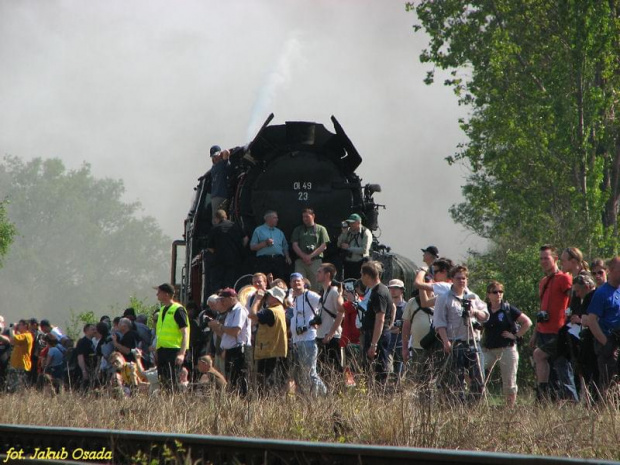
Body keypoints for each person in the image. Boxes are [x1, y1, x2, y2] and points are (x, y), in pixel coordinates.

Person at [434, 265, 489, 402]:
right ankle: (457, 408)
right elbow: (440, 322)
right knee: (456, 380)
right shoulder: (444, 298)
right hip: (455, 342)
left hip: (473, 342)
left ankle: (473, 407)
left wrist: (475, 312)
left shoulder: (472, 297)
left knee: (478, 379)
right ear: (452, 279)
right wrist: (446, 341)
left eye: (464, 278)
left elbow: (486, 315)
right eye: (458, 278)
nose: (461, 281)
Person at [529, 245, 577, 402]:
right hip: (543, 330)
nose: (543, 261)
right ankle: (550, 401)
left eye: (546, 258)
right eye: (541, 258)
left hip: (558, 330)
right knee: (549, 371)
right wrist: (535, 334)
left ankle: (570, 402)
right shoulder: (543, 281)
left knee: (562, 369)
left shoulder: (564, 278)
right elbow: (542, 308)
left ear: (555, 259)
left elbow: (573, 300)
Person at [481, 281, 532, 407]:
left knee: (509, 382)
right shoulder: (484, 309)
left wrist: (515, 336)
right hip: (489, 349)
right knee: (475, 371)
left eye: (500, 291)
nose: (498, 294)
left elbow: (527, 322)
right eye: (495, 292)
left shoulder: (508, 309)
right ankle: (480, 401)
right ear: (488, 295)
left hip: (507, 349)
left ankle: (509, 409)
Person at [585, 256, 620, 398]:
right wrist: (605, 342)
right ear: (611, 271)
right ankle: (605, 412)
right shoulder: (601, 293)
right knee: (608, 380)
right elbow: (591, 320)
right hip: (608, 340)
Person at [208, 288, 251, 396]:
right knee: (232, 380)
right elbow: (226, 335)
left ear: (231, 299)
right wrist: (215, 328)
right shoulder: (230, 312)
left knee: (240, 380)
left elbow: (235, 331)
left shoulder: (239, 310)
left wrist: (220, 326)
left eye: (223, 300)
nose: (221, 303)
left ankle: (243, 402)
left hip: (239, 350)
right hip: (230, 350)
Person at [289, 272, 327, 396]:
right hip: (297, 340)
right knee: (304, 373)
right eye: (293, 281)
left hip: (309, 338)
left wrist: (317, 321)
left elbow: (324, 303)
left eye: (298, 281)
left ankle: (323, 395)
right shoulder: (295, 298)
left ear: (303, 282)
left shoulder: (309, 295)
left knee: (311, 372)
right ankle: (313, 396)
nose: (296, 283)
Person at [248, 286, 288, 394]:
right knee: (272, 382)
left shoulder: (271, 312)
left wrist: (257, 299)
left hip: (268, 351)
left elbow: (252, 315)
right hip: (274, 350)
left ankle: (267, 405)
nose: (267, 297)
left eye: (269, 296)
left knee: (266, 383)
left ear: (276, 298)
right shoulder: (279, 310)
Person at [360, 261, 393, 384]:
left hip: (377, 337)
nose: (361, 278)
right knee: (369, 371)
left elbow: (380, 319)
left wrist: (373, 345)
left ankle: (380, 398)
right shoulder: (376, 290)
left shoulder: (379, 293)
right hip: (375, 334)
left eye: (362, 275)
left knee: (379, 371)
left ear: (368, 276)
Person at [154, 283, 190, 391]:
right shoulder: (162, 310)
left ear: (166, 294)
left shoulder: (178, 309)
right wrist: (157, 349)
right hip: (162, 351)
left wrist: (182, 354)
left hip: (174, 350)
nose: (157, 295)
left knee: (173, 380)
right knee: (163, 380)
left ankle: (174, 404)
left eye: (159, 292)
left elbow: (185, 332)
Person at [207, 209, 248, 293]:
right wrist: (240, 248)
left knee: (218, 282)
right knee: (230, 281)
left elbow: (210, 247)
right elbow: (246, 238)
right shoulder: (235, 226)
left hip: (219, 260)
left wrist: (217, 253)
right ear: (226, 217)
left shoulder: (214, 229)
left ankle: (219, 297)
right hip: (234, 258)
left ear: (216, 218)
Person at [315, 263, 345, 378]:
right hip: (322, 335)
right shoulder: (323, 292)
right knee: (323, 371)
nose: (317, 274)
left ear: (327, 275)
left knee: (335, 371)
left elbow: (341, 312)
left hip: (331, 337)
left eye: (319, 272)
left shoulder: (334, 292)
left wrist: (331, 334)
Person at [291, 208, 330, 290]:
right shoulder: (298, 229)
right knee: (299, 283)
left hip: (315, 261)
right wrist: (304, 256)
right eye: (303, 217)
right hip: (301, 261)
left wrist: (310, 256)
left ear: (313, 216)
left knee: (316, 284)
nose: (305, 219)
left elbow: (323, 245)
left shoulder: (321, 229)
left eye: (307, 217)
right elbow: (294, 245)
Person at [250, 210, 292, 280]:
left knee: (279, 281)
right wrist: (265, 243)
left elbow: (285, 246)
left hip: (278, 260)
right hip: (264, 260)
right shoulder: (258, 230)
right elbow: (252, 247)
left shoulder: (279, 232)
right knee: (264, 281)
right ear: (267, 219)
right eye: (275, 218)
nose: (277, 219)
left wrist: (287, 257)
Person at [337, 214, 372, 280]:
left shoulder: (365, 233)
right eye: (350, 223)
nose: (350, 224)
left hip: (360, 264)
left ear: (358, 223)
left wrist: (349, 248)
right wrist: (344, 233)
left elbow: (364, 250)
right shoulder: (348, 232)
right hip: (348, 264)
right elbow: (339, 244)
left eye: (353, 223)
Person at [5, 319, 34, 392]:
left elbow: (13, 339)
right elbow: (12, 341)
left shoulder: (26, 336)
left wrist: (12, 329)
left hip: (21, 364)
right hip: (16, 364)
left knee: (17, 387)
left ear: (25, 326)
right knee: (12, 386)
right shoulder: (21, 336)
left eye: (20, 325)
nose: (18, 326)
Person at [387, 279, 406, 379]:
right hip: (387, 345)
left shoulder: (406, 307)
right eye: (391, 288)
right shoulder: (386, 307)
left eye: (396, 288)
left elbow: (405, 328)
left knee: (399, 376)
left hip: (401, 345)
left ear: (402, 290)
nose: (393, 290)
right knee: (387, 372)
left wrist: (391, 328)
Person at [209, 145, 231, 224]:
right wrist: (222, 154)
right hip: (219, 195)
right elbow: (227, 152)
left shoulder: (216, 167)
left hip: (219, 195)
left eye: (216, 156)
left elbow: (226, 153)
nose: (215, 158)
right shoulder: (218, 166)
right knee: (218, 217)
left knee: (217, 217)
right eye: (213, 157)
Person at [73, 323, 97, 390]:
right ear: (86, 331)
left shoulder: (92, 342)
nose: (94, 331)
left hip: (91, 369)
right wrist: (84, 371)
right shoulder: (82, 342)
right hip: (84, 370)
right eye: (92, 329)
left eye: (95, 329)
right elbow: (80, 357)